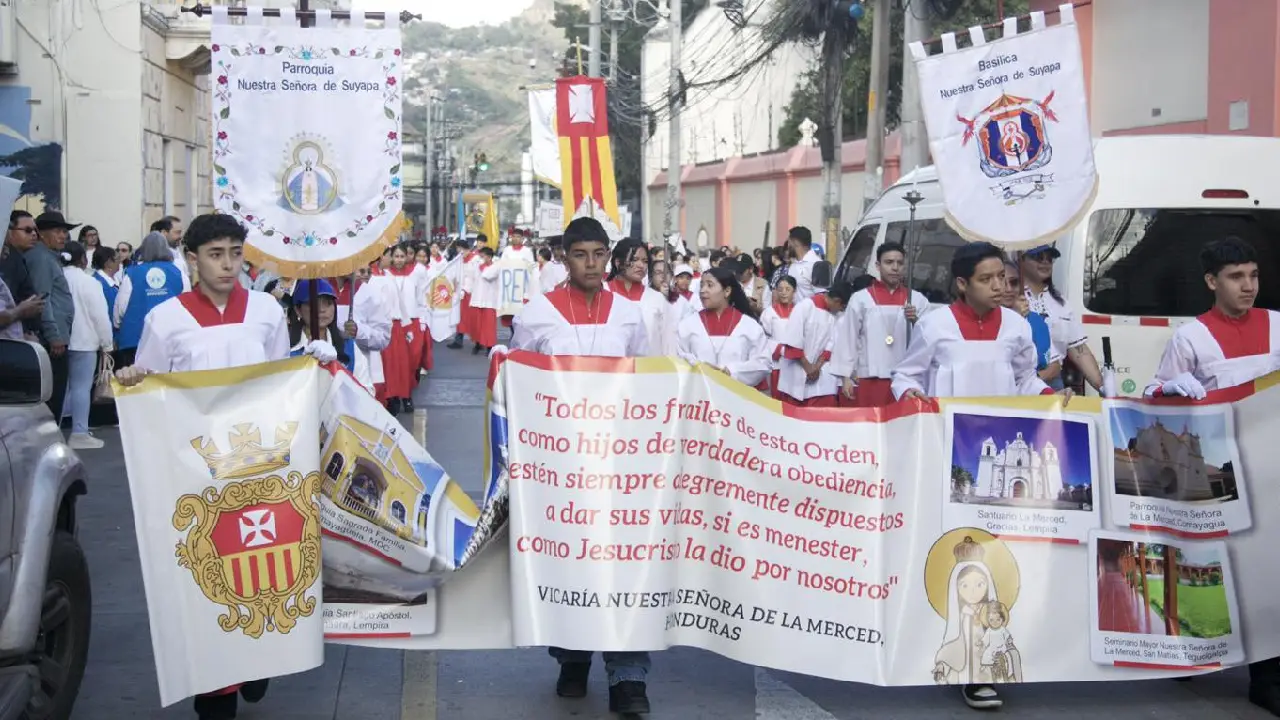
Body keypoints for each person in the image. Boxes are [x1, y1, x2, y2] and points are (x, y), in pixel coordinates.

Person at [115, 212, 334, 720]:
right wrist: (132, 378)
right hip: (197, 474)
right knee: (206, 575)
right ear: (191, 260)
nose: (229, 264)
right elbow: (150, 386)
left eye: (236, 253)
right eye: (216, 254)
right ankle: (214, 691)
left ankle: (257, 662)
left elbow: (279, 382)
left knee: (259, 568)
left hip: (261, 470)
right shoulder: (165, 319)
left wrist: (311, 364)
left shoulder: (263, 310)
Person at [505, 217, 651, 715]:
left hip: (621, 466)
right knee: (572, 563)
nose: (592, 264)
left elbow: (646, 381)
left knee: (625, 566)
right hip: (560, 468)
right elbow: (518, 383)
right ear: (564, 258)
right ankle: (572, 656)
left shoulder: (631, 315)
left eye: (599, 254)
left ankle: (629, 676)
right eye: (581, 254)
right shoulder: (538, 315)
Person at [1140, 238, 1280, 712]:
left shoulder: (1278, 326)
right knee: (1221, 564)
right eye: (1237, 277)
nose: (1249, 286)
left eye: (1254, 276)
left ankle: (1268, 675)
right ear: (1211, 282)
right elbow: (1156, 393)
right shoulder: (1192, 337)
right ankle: (1200, 649)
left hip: (1273, 466)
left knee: (1270, 570)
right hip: (1223, 472)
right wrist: (1171, 388)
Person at [830, 243, 931, 407]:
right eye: (889, 262)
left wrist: (915, 321)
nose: (895, 268)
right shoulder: (861, 299)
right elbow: (848, 338)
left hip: (905, 381)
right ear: (878, 265)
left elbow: (929, 339)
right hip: (870, 377)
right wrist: (845, 376)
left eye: (899, 263)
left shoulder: (916, 300)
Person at [1018, 244, 1102, 392]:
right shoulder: (1011, 299)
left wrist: (1103, 389)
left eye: (1050, 259)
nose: (1045, 262)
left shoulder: (1060, 303)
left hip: (1054, 384)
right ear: (1021, 260)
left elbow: (1079, 350)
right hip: (1022, 384)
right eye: (1038, 257)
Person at [676, 265, 771, 387]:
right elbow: (679, 355)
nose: (703, 290)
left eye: (710, 285)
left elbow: (763, 362)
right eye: (701, 285)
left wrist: (730, 371)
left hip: (737, 396)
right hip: (699, 397)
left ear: (727, 291)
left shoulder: (749, 326)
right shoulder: (688, 325)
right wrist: (699, 366)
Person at [59, 241, 113, 449]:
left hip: (59, 339)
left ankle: (55, 430)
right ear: (83, 258)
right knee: (81, 388)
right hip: (84, 341)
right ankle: (79, 432)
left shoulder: (58, 277)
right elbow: (100, 315)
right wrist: (106, 343)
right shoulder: (89, 282)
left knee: (59, 389)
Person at [26, 211, 79, 419]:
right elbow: (42, 298)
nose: (63, 236)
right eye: (58, 231)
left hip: (55, 336)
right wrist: (54, 335)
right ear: (42, 234)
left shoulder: (49, 257)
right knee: (52, 398)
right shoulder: (41, 258)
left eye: (65, 232)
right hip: (51, 340)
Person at [114, 232, 186, 367]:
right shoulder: (179, 273)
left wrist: (118, 326)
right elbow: (188, 305)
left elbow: (121, 308)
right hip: (171, 339)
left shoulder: (132, 273)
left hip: (135, 338)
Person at [775, 281, 853, 406]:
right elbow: (793, 342)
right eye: (842, 306)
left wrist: (817, 366)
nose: (841, 310)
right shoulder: (805, 306)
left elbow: (831, 345)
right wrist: (808, 367)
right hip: (796, 371)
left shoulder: (835, 316)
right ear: (837, 301)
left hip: (818, 375)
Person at [382, 244, 429, 414]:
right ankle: (394, 397)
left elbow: (422, 298)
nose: (400, 260)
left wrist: (423, 321)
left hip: (413, 322)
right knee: (395, 363)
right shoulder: (385, 275)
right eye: (396, 256)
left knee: (411, 362)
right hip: (394, 324)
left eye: (403, 256)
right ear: (391, 257)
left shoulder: (417, 273)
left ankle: (407, 395)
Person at [607, 239, 671, 356]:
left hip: (647, 370)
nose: (641, 265)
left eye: (645, 261)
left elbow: (668, 344)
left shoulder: (657, 299)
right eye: (634, 259)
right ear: (618, 262)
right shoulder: (602, 294)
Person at [1002, 259, 1060, 382]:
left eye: (1014, 282)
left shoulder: (1036, 320)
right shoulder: (983, 321)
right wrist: (1016, 317)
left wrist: (1032, 382)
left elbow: (1054, 365)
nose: (1008, 289)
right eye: (1002, 282)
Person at [287, 279, 354, 373]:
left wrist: (334, 365)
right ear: (298, 310)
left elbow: (365, 386)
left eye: (328, 303)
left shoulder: (349, 345)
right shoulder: (286, 348)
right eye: (313, 304)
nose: (322, 309)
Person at [758, 275, 797, 398]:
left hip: (797, 363)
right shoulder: (768, 313)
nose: (783, 293)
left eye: (787, 289)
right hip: (777, 363)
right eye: (780, 289)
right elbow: (763, 339)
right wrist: (779, 348)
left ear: (794, 291)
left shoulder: (801, 312)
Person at [469, 246, 500, 355]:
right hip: (477, 299)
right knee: (477, 325)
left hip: (489, 301)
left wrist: (482, 267)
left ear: (490, 257)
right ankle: (477, 344)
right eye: (481, 256)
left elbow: (488, 276)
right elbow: (471, 278)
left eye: (484, 256)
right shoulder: (477, 266)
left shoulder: (496, 266)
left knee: (488, 325)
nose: (481, 258)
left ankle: (489, 346)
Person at [784, 226, 821, 301]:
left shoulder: (817, 265)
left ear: (795, 242)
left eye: (789, 242)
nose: (788, 246)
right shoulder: (793, 264)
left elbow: (821, 297)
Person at [92, 246, 120, 313]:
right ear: (109, 263)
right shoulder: (97, 284)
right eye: (118, 259)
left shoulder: (116, 279)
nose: (120, 262)